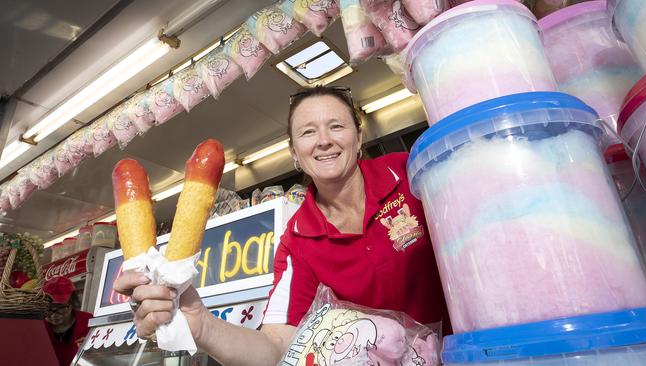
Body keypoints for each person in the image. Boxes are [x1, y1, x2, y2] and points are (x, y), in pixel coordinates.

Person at [114, 85, 449, 365]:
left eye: (336, 126)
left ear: (358, 137)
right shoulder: (297, 242)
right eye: (307, 132)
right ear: (294, 154)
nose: (323, 140)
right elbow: (276, 347)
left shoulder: (407, 172)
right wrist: (202, 327)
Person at [43, 276, 93, 366]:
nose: (54, 315)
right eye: (48, 309)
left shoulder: (88, 322)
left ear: (72, 303)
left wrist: (92, 346)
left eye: (60, 308)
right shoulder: (38, 327)